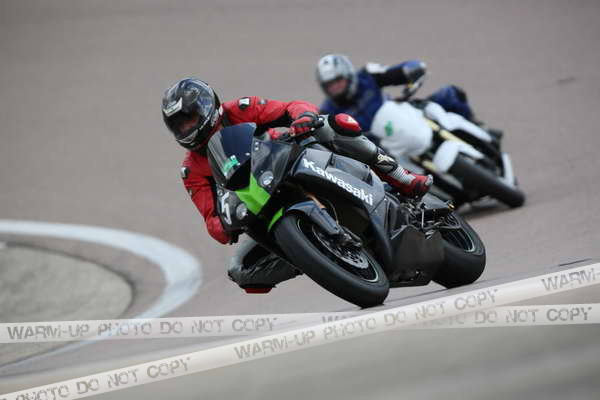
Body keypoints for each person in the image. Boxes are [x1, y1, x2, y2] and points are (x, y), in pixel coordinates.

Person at [161, 78, 432, 292]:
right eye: (179, 126)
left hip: (288, 160)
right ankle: (315, 255)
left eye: (190, 119)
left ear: (207, 107)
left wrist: (303, 117)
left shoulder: (240, 109)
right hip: (257, 206)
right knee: (240, 270)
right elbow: (210, 218)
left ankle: (403, 178)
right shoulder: (191, 170)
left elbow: (291, 107)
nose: (186, 128)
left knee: (333, 124)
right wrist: (226, 225)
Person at [316, 54, 502, 149]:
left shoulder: (367, 76)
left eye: (338, 81)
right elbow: (324, 137)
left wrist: (411, 71)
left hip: (404, 117)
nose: (336, 87)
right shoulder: (327, 111)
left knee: (449, 94)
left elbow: (399, 70)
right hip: (382, 147)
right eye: (330, 85)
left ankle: (478, 129)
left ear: (349, 75)